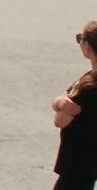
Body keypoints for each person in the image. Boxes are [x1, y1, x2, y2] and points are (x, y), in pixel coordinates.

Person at [52, 22, 97, 189]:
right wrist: (59, 102)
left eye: (80, 39)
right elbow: (61, 100)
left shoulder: (88, 86)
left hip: (77, 162)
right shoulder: (88, 78)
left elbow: (60, 120)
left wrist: (59, 103)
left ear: (88, 45)